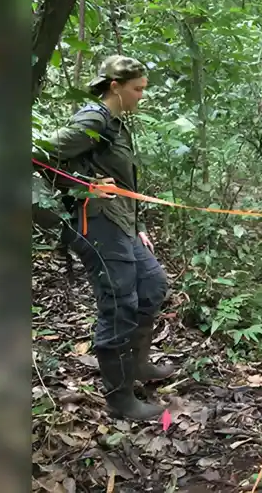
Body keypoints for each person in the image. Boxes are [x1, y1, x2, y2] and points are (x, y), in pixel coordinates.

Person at [35, 55, 175, 420]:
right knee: (119, 303)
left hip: (122, 222)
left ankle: (137, 366)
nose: (142, 96)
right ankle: (121, 399)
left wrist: (139, 225)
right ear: (115, 86)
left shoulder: (115, 123)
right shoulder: (93, 119)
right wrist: (82, 186)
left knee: (153, 284)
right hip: (96, 224)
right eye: (137, 89)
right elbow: (38, 155)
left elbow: (125, 183)